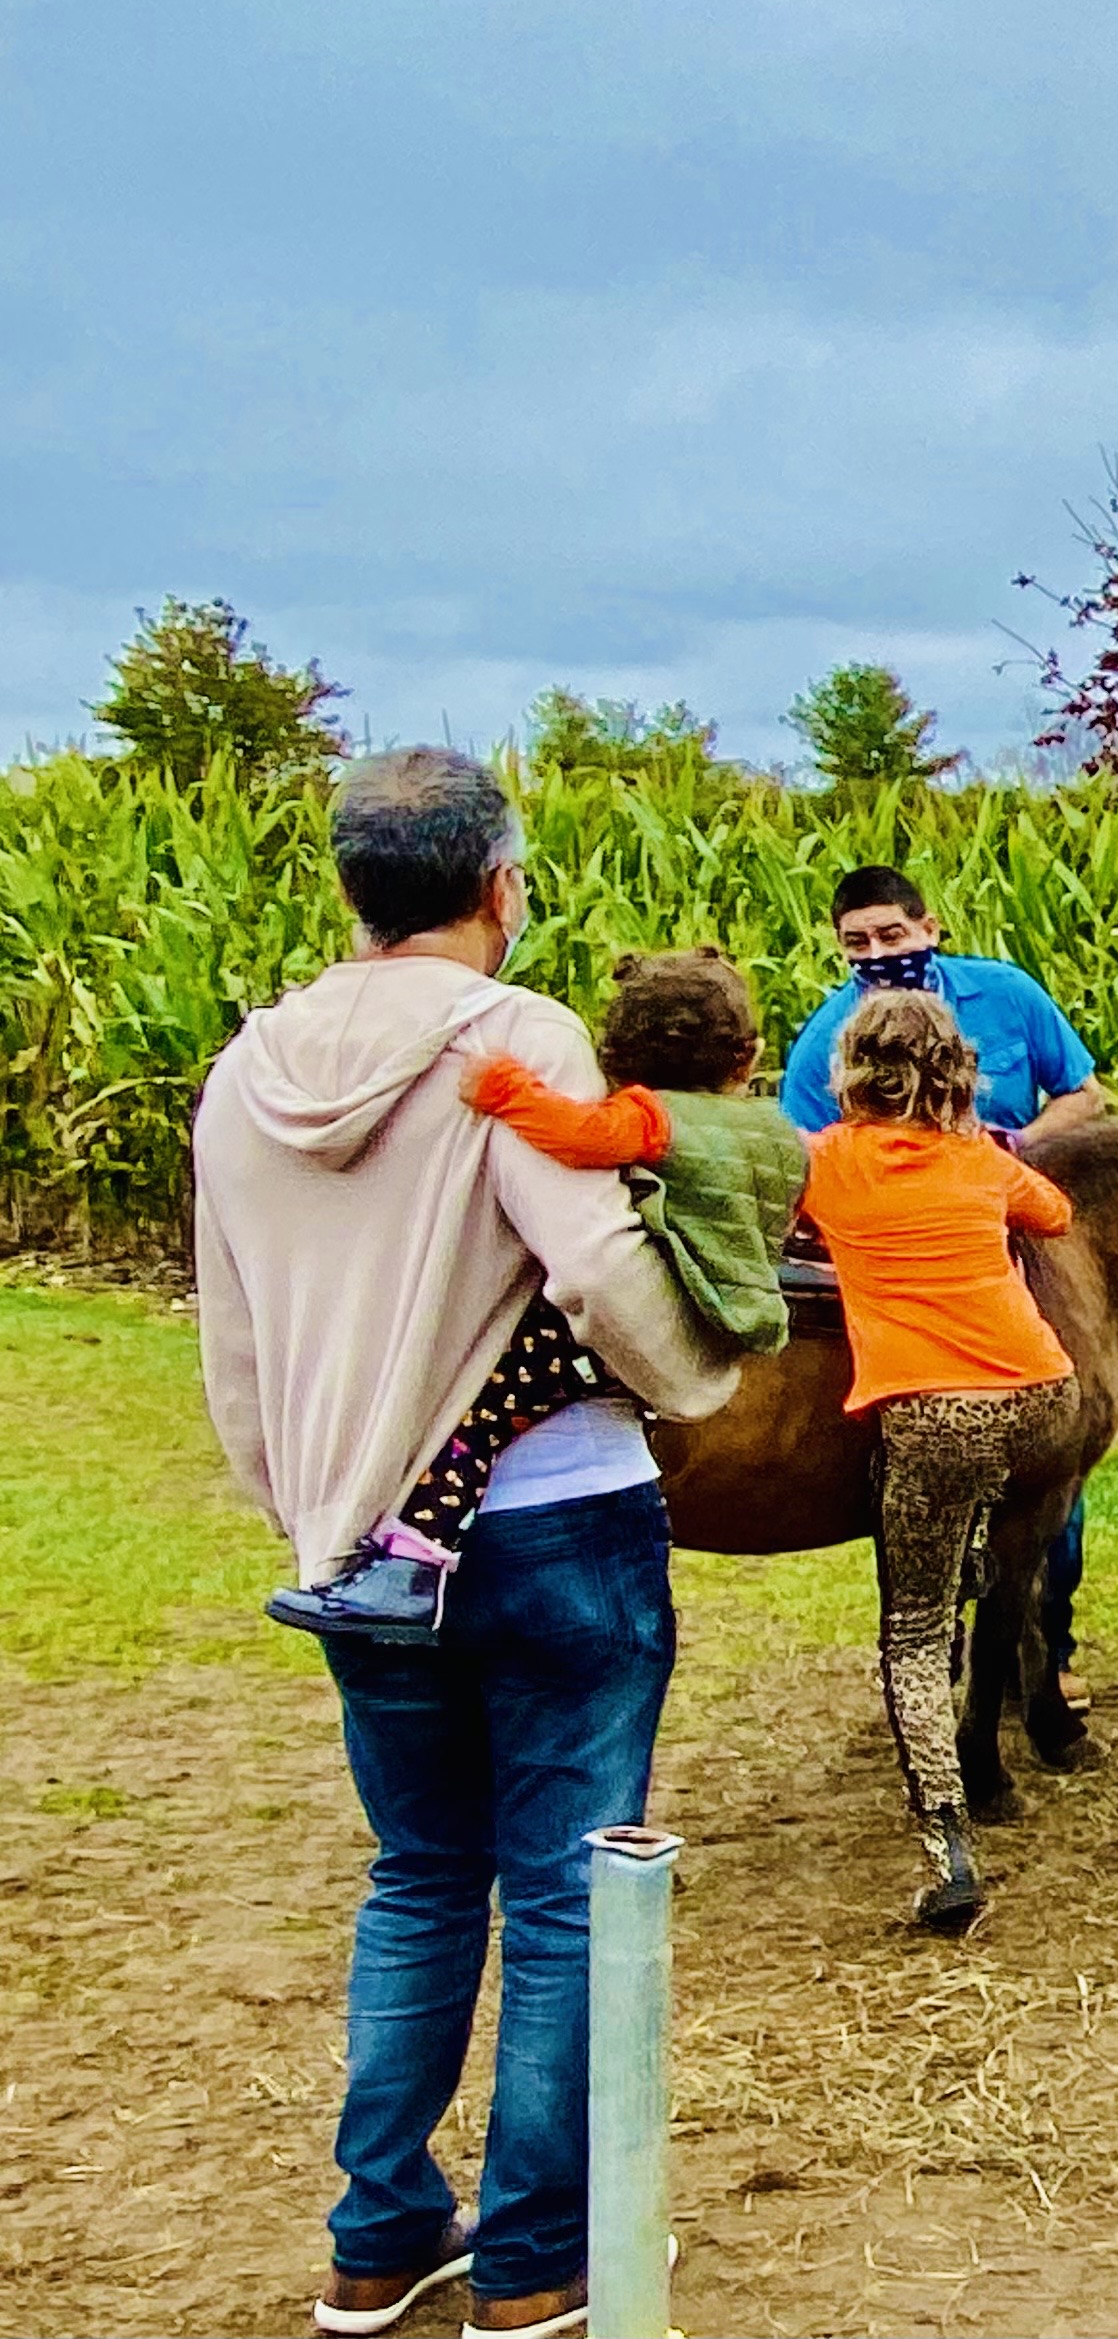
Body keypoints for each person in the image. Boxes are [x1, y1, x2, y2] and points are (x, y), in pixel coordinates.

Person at [194, 748, 737, 2339]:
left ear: (351, 888)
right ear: (499, 885)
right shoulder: (513, 1036)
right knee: (567, 1891)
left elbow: (234, 1344)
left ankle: (381, 2238)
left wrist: (315, 1500)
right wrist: (692, 1375)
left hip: (360, 1540)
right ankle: (535, 2262)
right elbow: (590, 1261)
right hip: (555, 1519)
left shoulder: (245, 1071)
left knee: (419, 1873)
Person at [267, 947, 808, 1642]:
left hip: (637, 1322)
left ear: (614, 1058)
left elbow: (579, 1135)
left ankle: (413, 1565)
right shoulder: (777, 1132)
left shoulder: (653, 1120)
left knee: (478, 1418)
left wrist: (506, 1089)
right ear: (748, 1056)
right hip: (723, 1318)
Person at [778, 864, 1107, 1714]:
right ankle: (949, 1654)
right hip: (915, 1265)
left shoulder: (1006, 994)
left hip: (1017, 1234)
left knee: (1050, 1473)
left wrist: (1014, 1145)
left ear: (931, 926)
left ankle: (1049, 1643)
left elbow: (1085, 1095)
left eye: (893, 936)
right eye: (857, 943)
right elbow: (806, 1160)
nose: (877, 954)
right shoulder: (822, 1040)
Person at [794, 988, 1080, 1926]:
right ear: (955, 1075)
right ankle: (974, 1549)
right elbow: (1057, 1215)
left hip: (934, 1412)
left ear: (848, 1074)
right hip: (1044, 1394)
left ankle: (949, 1852)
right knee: (975, 1504)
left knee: (914, 1636)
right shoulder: (983, 1160)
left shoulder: (824, 1163)